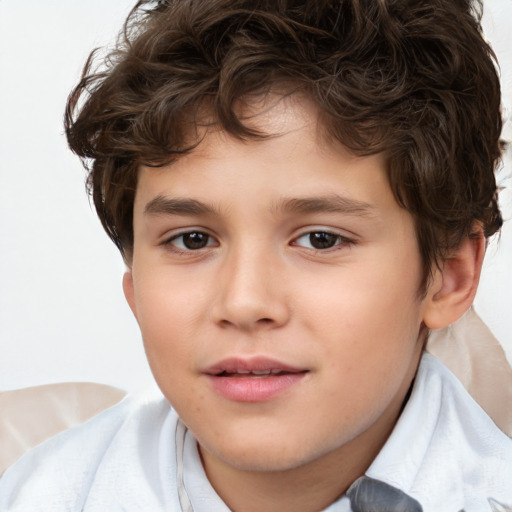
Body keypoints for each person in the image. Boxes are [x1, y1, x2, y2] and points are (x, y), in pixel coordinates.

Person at [1, 0, 511, 510]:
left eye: (321, 239)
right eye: (192, 240)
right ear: (135, 284)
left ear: (449, 276)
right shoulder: (35, 496)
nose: (244, 303)